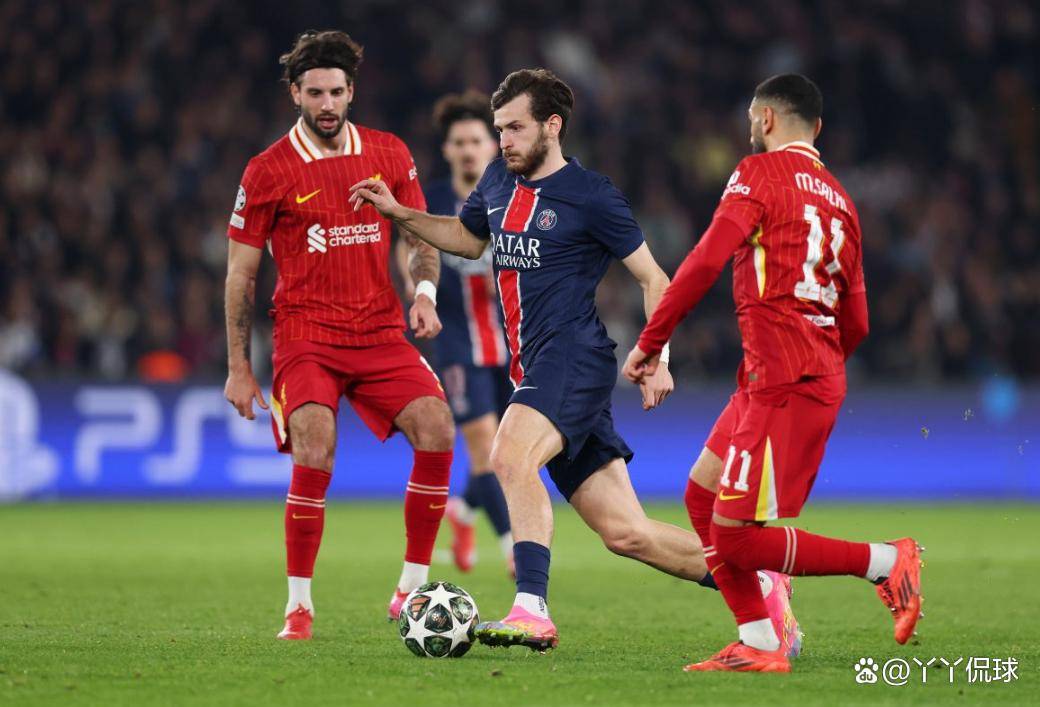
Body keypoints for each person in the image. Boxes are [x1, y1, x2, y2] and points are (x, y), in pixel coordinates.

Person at [350, 69, 799, 653]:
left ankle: (531, 609)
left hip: (574, 359)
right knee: (627, 533)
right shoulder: (497, 180)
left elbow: (653, 278)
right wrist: (399, 213)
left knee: (508, 456)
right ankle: (760, 581)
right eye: (499, 129)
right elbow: (466, 238)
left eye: (515, 128)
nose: (503, 141)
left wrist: (658, 354)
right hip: (534, 367)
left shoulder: (592, 195)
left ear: (552, 126)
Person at [623, 73, 923, 673]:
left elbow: (706, 260)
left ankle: (887, 562)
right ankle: (759, 639)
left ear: (764, 119)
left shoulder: (757, 174)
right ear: (818, 127)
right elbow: (858, 321)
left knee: (735, 535)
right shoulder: (841, 200)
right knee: (701, 497)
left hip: (784, 379)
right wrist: (817, 364)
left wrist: (652, 342)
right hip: (787, 376)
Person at [223, 30, 456, 641]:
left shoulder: (388, 152)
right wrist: (238, 367)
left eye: (336, 92)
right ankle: (298, 606)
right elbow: (241, 274)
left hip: (379, 330)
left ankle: (410, 588)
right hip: (306, 334)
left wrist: (424, 294)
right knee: (315, 445)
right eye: (314, 93)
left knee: (437, 428)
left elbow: (419, 234)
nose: (326, 104)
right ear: (294, 94)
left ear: (352, 91)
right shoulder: (268, 170)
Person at [395, 91, 515, 576]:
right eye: (458, 142)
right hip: (457, 344)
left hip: (512, 344)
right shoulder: (433, 202)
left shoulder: (514, 196)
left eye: (475, 141)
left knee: (508, 452)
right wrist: (417, 287)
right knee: (485, 450)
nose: (468, 150)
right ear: (447, 150)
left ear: (493, 146)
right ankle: (514, 548)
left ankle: (463, 510)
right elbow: (409, 249)